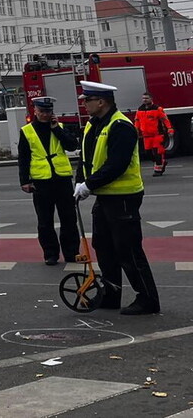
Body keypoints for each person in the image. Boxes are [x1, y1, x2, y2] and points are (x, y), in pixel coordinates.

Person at [74, 81, 161, 315]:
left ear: (101, 102)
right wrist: (79, 182)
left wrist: (89, 184)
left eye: (87, 101)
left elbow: (117, 164)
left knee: (128, 250)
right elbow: (87, 159)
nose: (84, 105)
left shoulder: (120, 126)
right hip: (104, 197)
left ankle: (148, 299)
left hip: (123, 197)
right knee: (103, 246)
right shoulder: (93, 125)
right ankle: (110, 294)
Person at [18, 96, 80, 265]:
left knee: (69, 218)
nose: (45, 115)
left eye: (48, 111)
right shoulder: (27, 131)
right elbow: (23, 157)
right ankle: (50, 253)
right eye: (42, 111)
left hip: (62, 179)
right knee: (45, 221)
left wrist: (56, 129)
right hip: (41, 181)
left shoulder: (59, 127)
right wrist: (24, 180)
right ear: (35, 111)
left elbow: (72, 145)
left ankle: (71, 252)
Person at [134, 92, 173, 177]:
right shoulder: (140, 110)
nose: (144, 100)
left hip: (157, 135)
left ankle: (158, 170)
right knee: (148, 153)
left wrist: (170, 129)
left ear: (151, 99)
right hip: (146, 136)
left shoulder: (157, 109)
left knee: (157, 153)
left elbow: (165, 119)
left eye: (146, 98)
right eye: (143, 98)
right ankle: (161, 162)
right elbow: (137, 121)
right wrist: (136, 130)